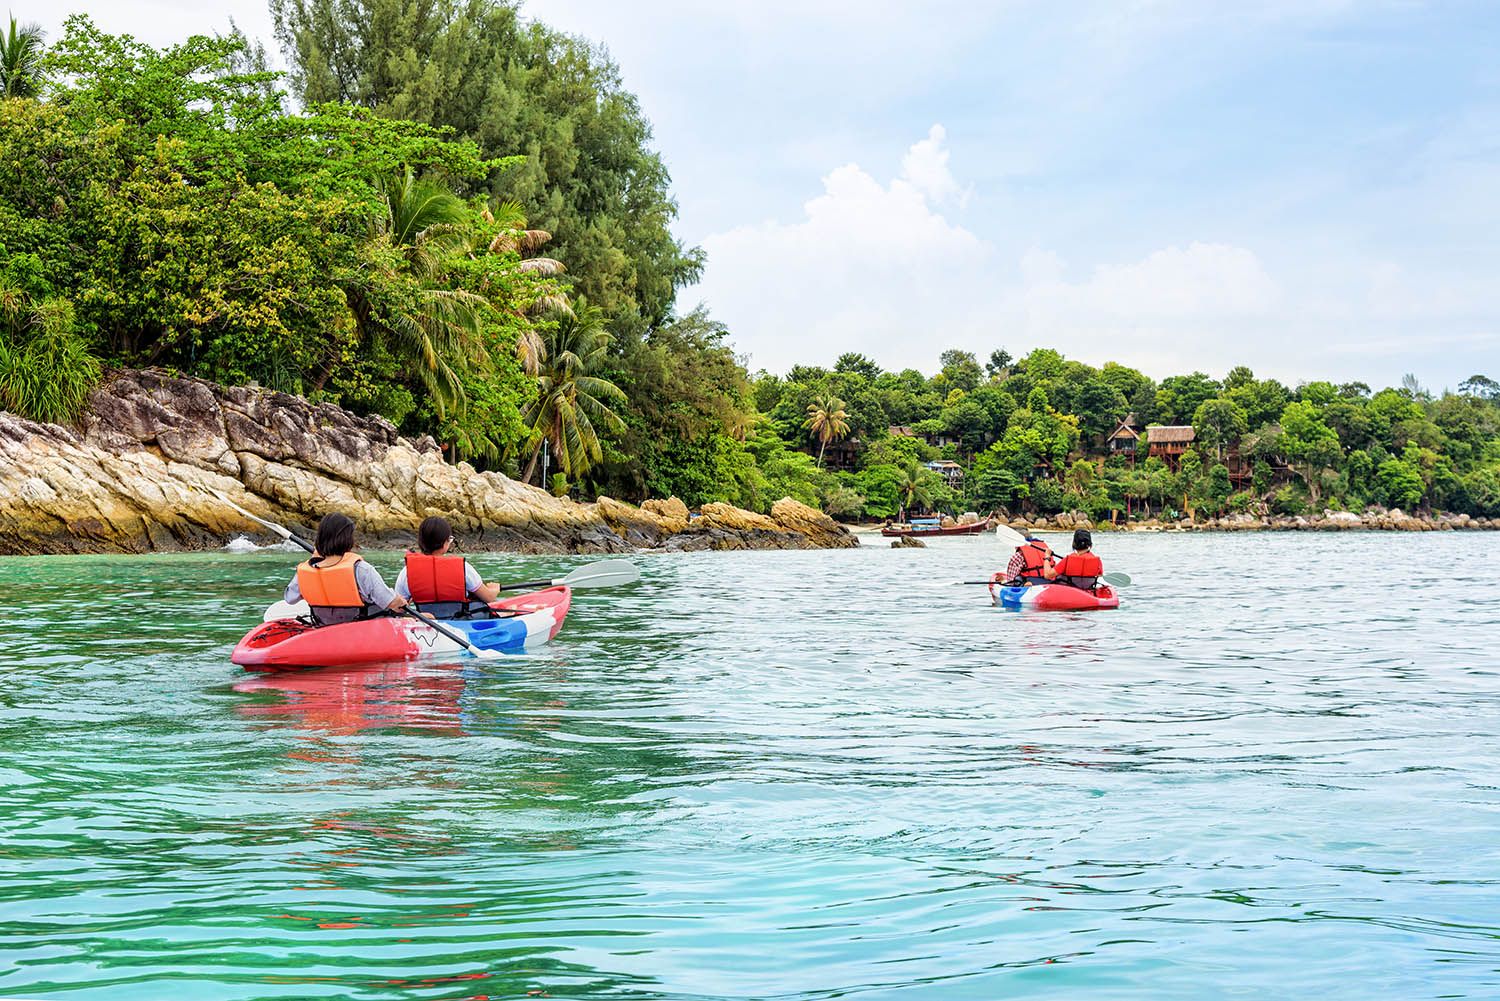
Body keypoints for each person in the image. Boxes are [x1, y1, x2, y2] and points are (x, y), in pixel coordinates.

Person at [285, 513, 406, 624]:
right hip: (361, 630)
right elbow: (391, 603)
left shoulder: (305, 570)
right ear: (347, 539)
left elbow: (290, 599)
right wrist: (400, 602)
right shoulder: (361, 569)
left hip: (323, 628)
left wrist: (314, 559)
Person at [393, 516, 502, 618]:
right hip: (460, 624)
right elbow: (488, 598)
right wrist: (494, 589)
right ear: (445, 543)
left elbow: (398, 609)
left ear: (421, 542)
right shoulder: (463, 567)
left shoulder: (406, 572)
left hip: (427, 623)